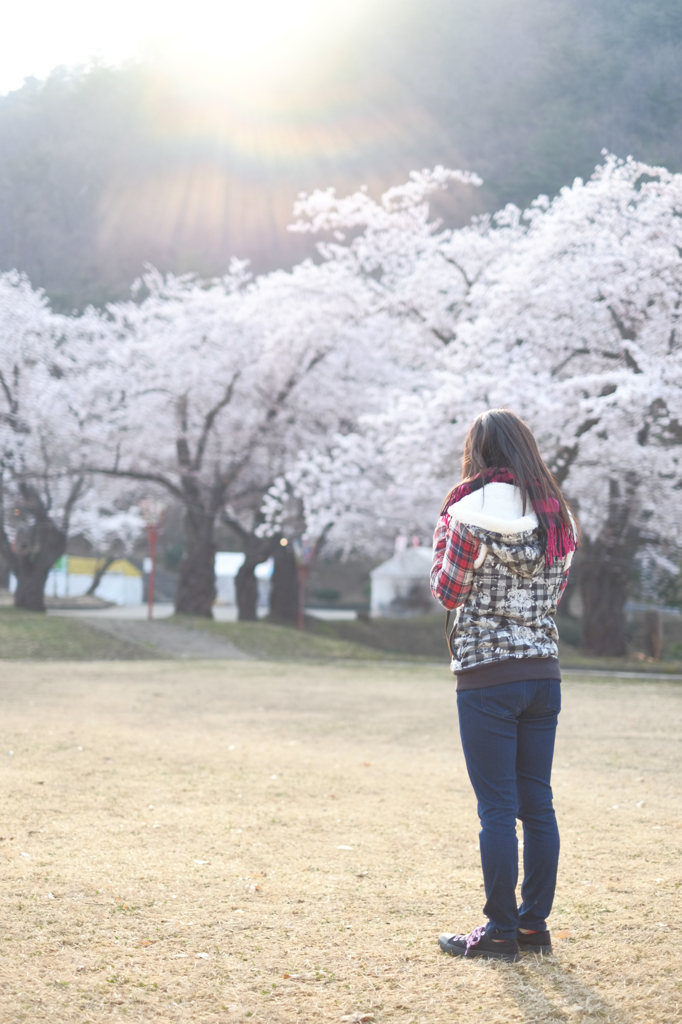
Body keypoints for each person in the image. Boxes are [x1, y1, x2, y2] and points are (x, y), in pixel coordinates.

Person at [430, 409, 577, 963]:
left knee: (496, 806)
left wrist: (442, 548)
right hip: (543, 671)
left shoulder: (465, 515)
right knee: (537, 803)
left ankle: (498, 930)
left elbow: (448, 591)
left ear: (477, 453)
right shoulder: (558, 516)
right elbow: (552, 595)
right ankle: (533, 927)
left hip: (487, 674)